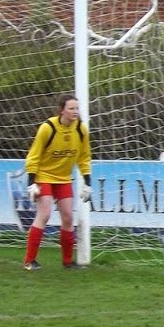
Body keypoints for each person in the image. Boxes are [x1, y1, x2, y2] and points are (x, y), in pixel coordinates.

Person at [22, 94, 93, 271]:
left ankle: (67, 262)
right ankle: (29, 262)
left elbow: (84, 157)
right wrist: (31, 182)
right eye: (71, 108)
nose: (75, 112)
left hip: (63, 178)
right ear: (62, 110)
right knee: (44, 214)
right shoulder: (48, 128)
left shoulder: (80, 130)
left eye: (77, 108)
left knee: (68, 217)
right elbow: (34, 155)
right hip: (43, 176)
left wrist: (87, 182)